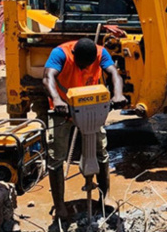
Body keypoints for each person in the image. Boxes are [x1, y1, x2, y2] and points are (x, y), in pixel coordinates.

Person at [43, 38, 126, 219]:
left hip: (91, 110)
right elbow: (48, 77)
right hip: (64, 111)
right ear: (74, 56)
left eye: (87, 65)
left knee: (100, 152)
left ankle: (106, 196)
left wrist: (118, 95)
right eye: (80, 65)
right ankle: (60, 206)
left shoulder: (100, 53)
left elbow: (114, 74)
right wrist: (57, 100)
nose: (83, 69)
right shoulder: (60, 53)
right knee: (56, 157)